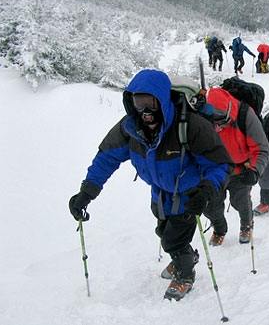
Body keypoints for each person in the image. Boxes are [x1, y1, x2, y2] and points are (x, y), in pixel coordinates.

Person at [68, 70, 234, 301]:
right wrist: (86, 193)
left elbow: (221, 164)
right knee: (163, 231)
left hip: (189, 193)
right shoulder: (130, 129)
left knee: (173, 239)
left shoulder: (190, 125)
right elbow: (106, 157)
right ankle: (184, 256)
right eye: (139, 103)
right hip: (159, 192)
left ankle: (185, 274)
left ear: (163, 100)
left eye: (151, 103)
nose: (146, 112)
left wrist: (206, 189)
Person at [204, 87, 269, 246]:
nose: (218, 127)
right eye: (214, 122)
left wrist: (254, 171)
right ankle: (219, 229)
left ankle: (246, 224)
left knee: (240, 202)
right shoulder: (203, 116)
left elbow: (262, 149)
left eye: (222, 121)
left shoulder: (245, 115)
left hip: (241, 169)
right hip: (213, 170)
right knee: (210, 205)